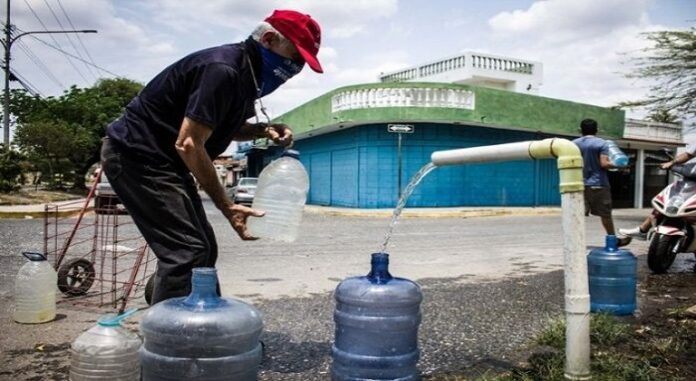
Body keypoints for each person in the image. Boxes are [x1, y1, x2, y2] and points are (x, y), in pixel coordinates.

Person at [100, 9, 323, 304]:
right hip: (137, 157)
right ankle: (172, 341)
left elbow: (223, 126)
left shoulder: (246, 79)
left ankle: (193, 314)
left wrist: (262, 130)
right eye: (294, 57)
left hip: (164, 163)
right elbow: (190, 143)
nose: (295, 68)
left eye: (302, 64)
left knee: (203, 247)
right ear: (268, 39)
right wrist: (228, 206)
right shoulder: (223, 69)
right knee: (187, 251)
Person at [573, 119, 631, 246]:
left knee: (578, 215)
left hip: (579, 184)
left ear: (580, 130)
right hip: (598, 184)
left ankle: (574, 241)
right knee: (605, 215)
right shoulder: (602, 143)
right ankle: (612, 240)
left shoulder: (574, 144)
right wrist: (620, 165)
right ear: (597, 130)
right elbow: (604, 164)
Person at [620, 145, 696, 240]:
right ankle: (643, 230)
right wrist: (672, 162)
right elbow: (688, 155)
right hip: (690, 180)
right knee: (668, 201)